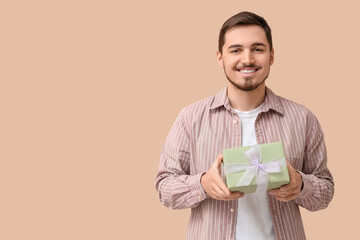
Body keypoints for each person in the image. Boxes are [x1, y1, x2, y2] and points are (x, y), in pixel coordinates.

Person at [155, 11, 334, 240]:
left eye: (258, 49)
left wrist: (300, 185)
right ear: (220, 58)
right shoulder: (190, 118)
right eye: (236, 50)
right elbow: (164, 187)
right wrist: (202, 184)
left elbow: (325, 192)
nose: (247, 59)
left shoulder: (303, 119)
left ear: (271, 56)